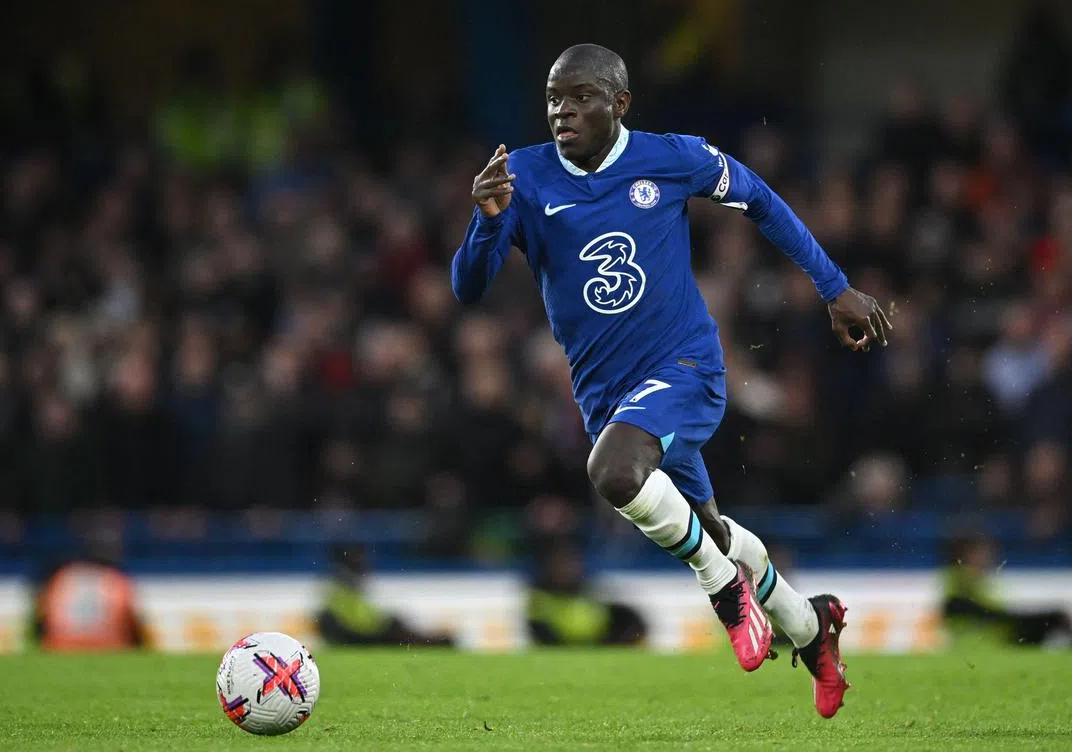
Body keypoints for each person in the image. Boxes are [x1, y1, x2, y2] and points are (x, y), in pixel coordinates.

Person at [452, 43, 891, 718]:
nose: (563, 111)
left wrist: (834, 287)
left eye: (581, 97)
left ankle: (723, 591)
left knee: (614, 475)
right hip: (606, 394)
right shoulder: (524, 177)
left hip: (685, 367)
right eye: (553, 99)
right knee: (708, 527)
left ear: (620, 103)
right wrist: (485, 223)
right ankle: (812, 626)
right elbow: (468, 287)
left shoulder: (672, 158)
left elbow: (760, 199)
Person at [942, 534, 1072, 649]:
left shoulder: (984, 580)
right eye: (982, 552)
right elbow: (970, 609)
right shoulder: (960, 577)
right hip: (990, 642)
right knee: (1054, 618)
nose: (988, 556)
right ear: (965, 554)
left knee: (1053, 619)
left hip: (1000, 632)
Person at [316, 545, 454, 647]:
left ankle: (430, 641)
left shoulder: (337, 586)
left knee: (394, 624)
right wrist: (383, 624)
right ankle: (431, 642)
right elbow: (360, 621)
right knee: (394, 626)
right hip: (357, 635)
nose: (364, 566)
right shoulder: (342, 588)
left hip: (356, 632)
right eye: (359, 562)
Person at [31, 540, 148, 652]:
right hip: (110, 647)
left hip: (59, 647)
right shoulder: (114, 577)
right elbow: (130, 618)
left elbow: (42, 616)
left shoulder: (61, 577)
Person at [527, 540, 647, 647]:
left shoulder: (594, 591)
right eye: (561, 564)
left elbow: (627, 619)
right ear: (549, 566)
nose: (567, 569)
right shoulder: (539, 598)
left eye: (571, 563)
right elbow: (542, 635)